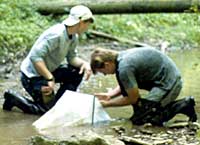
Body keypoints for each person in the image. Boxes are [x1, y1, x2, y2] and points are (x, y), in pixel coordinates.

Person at [3, 5, 94, 115]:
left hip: (49, 72)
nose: (88, 26)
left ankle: (61, 103)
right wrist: (50, 79)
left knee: (77, 71)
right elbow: (35, 57)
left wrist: (85, 64)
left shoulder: (73, 36)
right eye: (88, 23)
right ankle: (13, 98)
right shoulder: (56, 35)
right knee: (46, 112)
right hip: (33, 76)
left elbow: (72, 58)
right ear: (81, 22)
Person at [90, 46, 197, 126]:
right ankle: (146, 111)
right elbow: (128, 84)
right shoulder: (121, 59)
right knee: (140, 115)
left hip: (169, 84)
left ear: (107, 64)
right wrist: (110, 95)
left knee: (147, 120)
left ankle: (184, 104)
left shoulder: (124, 68)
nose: (104, 74)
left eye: (102, 71)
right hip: (160, 80)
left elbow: (132, 98)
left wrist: (107, 104)